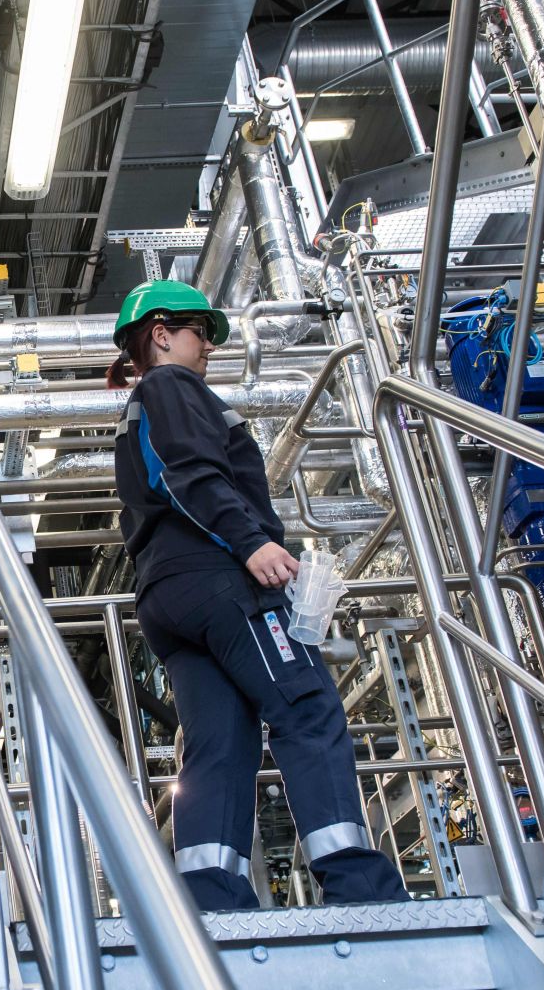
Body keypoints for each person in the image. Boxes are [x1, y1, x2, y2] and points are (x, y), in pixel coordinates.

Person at [108, 279, 407, 912]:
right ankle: (358, 888)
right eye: (200, 334)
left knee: (220, 742)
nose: (208, 349)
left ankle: (212, 899)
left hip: (170, 598)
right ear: (161, 334)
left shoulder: (142, 403)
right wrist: (249, 543)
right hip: (219, 580)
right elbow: (188, 471)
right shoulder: (170, 386)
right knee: (306, 708)